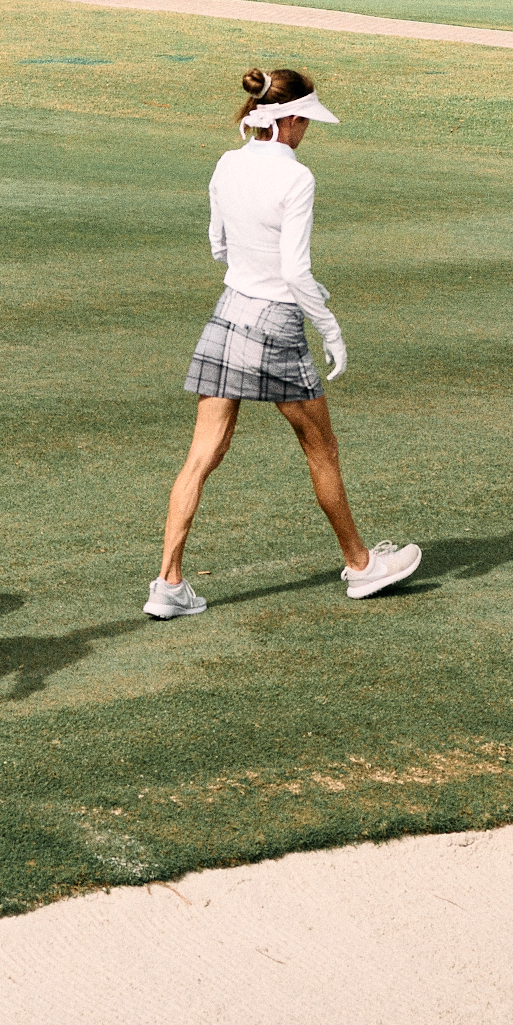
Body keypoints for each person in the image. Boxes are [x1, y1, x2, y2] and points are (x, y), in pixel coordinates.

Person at [146, 67, 420, 620]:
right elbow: (295, 272)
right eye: (306, 121)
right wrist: (330, 326)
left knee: (201, 456)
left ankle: (168, 585)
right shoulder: (298, 179)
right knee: (321, 449)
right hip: (276, 324)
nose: (307, 131)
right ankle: (361, 566)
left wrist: (268, 272)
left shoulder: (227, 163)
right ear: (289, 118)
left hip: (228, 314)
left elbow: (219, 246)